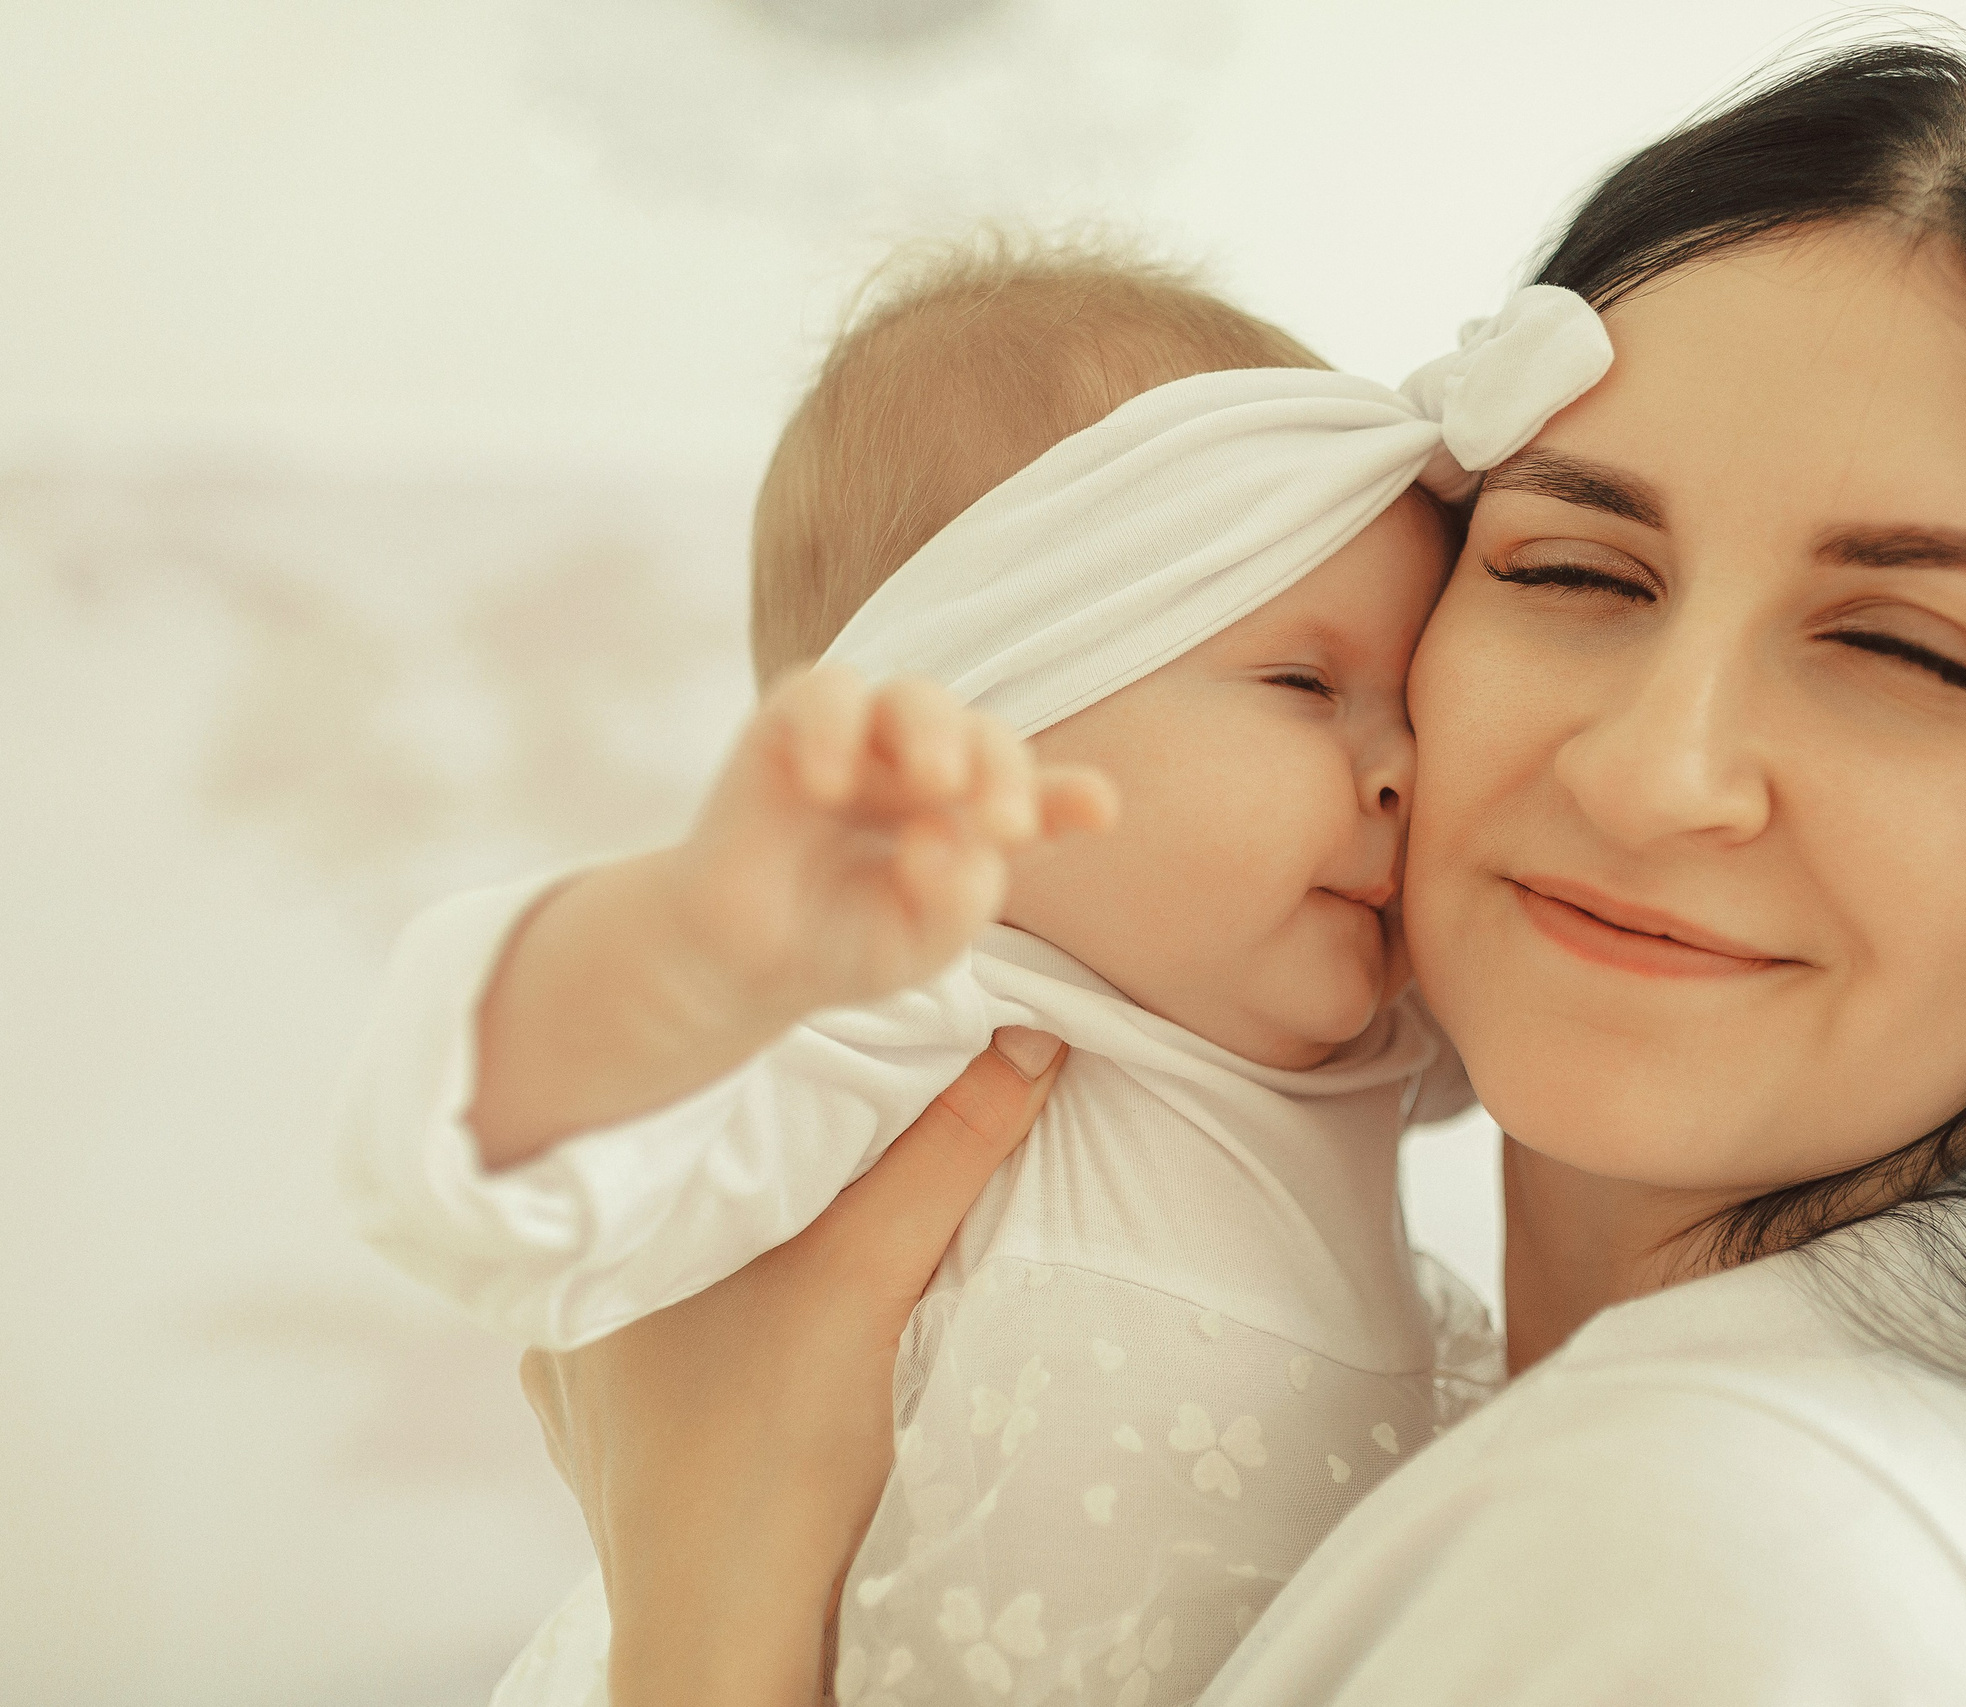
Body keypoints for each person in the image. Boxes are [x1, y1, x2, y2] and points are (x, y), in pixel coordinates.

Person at [518, 43, 1966, 1707]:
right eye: (1571, 571)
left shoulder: (1720, 1531)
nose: (1655, 769)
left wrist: (706, 1598)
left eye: (1903, 648)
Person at [337, 244, 1609, 1705]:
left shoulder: (1375, 1045)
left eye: (1415, 700)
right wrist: (690, 957)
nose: (1401, 770)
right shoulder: (918, 1023)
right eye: (1306, 685)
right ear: (991, 702)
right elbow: (502, 1171)